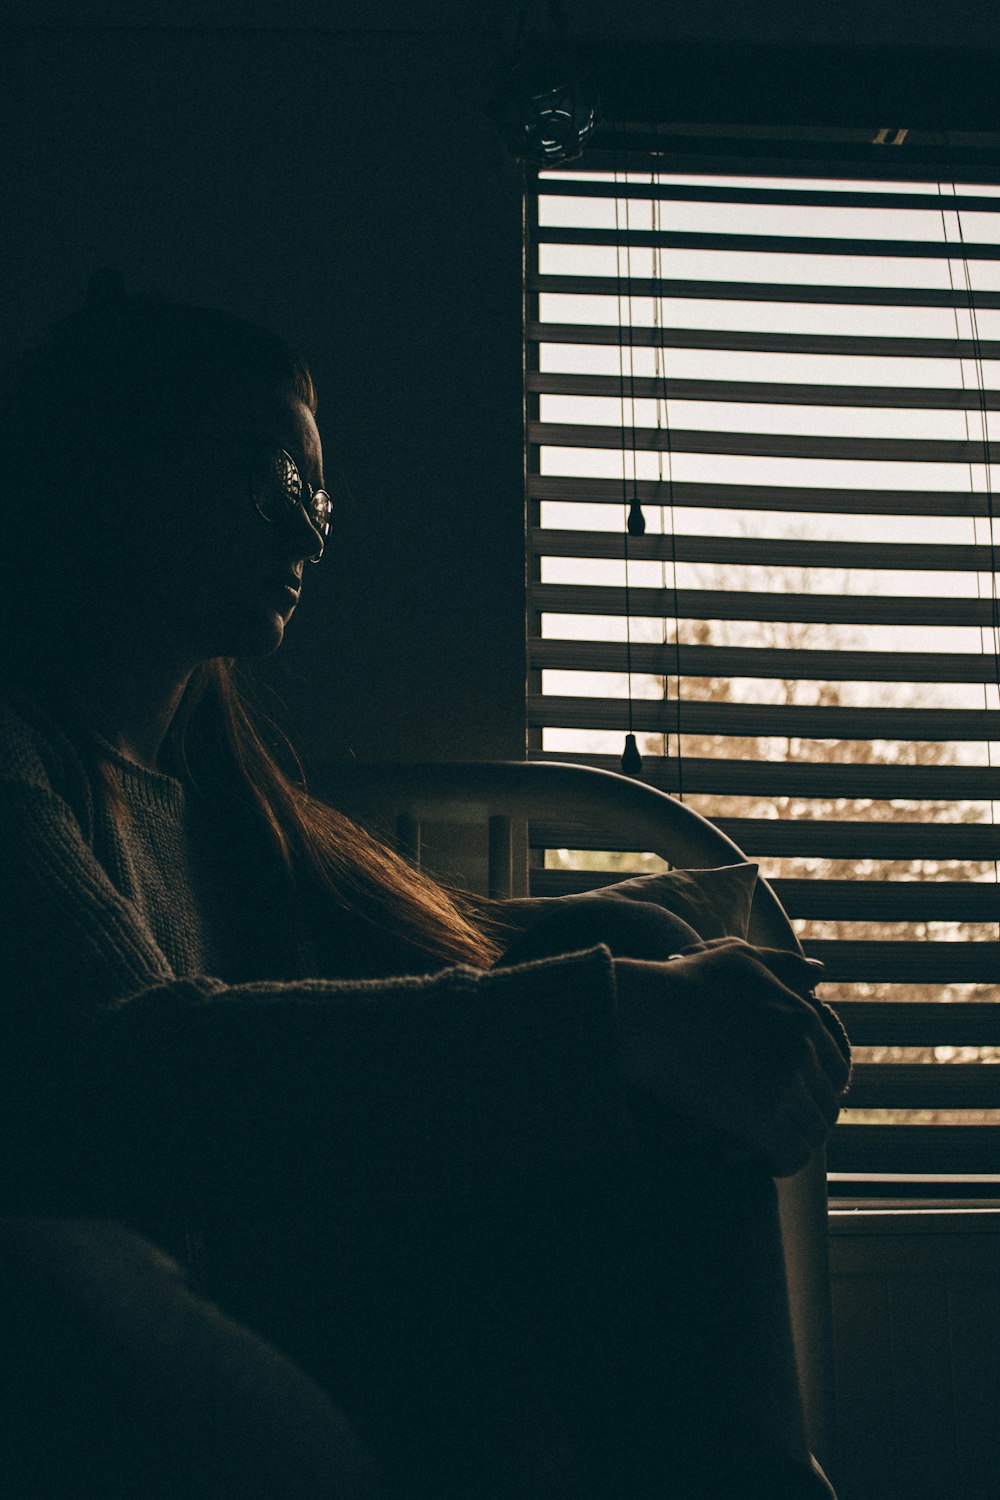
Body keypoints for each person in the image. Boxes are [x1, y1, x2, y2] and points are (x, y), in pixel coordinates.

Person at [0, 272, 849, 1499]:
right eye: (265, 476)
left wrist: (651, 950)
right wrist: (621, 1017)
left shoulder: (206, 788)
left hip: (286, 1270)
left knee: (633, 929)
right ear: (108, 465)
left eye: (319, 498)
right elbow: (134, 1077)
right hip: (154, 1306)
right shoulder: (22, 757)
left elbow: (351, 964)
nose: (303, 533)